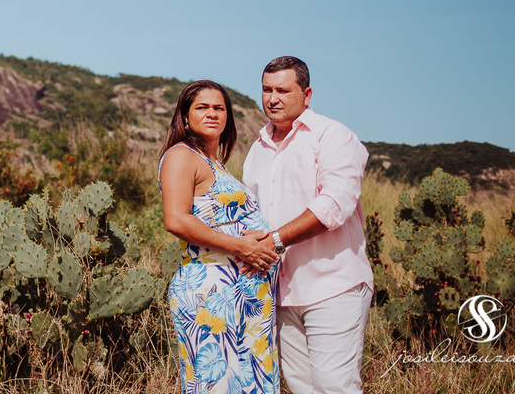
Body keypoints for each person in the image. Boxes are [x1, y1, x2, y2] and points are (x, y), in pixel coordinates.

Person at [242, 56, 374, 394]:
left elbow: (334, 205)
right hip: (280, 292)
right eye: (267, 89)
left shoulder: (334, 136)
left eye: (284, 90)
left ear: (307, 94)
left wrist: (273, 241)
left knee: (334, 386)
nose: (273, 98)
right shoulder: (256, 150)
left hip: (333, 285)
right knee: (302, 388)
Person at [159, 79, 280, 394]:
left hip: (244, 294)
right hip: (212, 291)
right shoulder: (181, 156)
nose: (212, 113)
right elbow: (176, 220)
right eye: (202, 107)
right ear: (185, 116)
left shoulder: (217, 164)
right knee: (217, 385)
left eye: (219, 108)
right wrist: (241, 246)